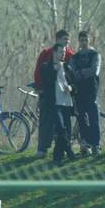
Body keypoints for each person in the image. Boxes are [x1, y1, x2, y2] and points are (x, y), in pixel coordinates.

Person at [33, 29, 74, 158]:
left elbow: (72, 77)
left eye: (68, 40)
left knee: (64, 126)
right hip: (48, 94)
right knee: (46, 121)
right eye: (64, 40)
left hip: (64, 98)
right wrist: (40, 88)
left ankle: (61, 151)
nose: (66, 43)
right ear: (57, 40)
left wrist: (71, 88)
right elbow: (38, 72)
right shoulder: (46, 54)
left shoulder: (70, 55)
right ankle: (42, 148)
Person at [40, 43, 76, 164]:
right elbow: (46, 82)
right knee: (60, 129)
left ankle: (57, 156)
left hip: (66, 102)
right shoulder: (46, 66)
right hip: (54, 103)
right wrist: (55, 70)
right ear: (54, 53)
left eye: (64, 52)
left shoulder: (67, 67)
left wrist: (70, 87)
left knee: (66, 130)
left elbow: (75, 84)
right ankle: (69, 150)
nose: (63, 54)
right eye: (61, 52)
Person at [68, 30, 102, 156]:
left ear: (89, 40)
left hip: (92, 90)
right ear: (79, 41)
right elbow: (72, 73)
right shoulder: (74, 57)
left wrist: (81, 73)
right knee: (82, 119)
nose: (84, 42)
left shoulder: (95, 55)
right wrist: (81, 74)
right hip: (79, 91)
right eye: (81, 40)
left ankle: (96, 145)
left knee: (94, 118)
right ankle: (85, 144)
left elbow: (95, 70)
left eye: (86, 40)